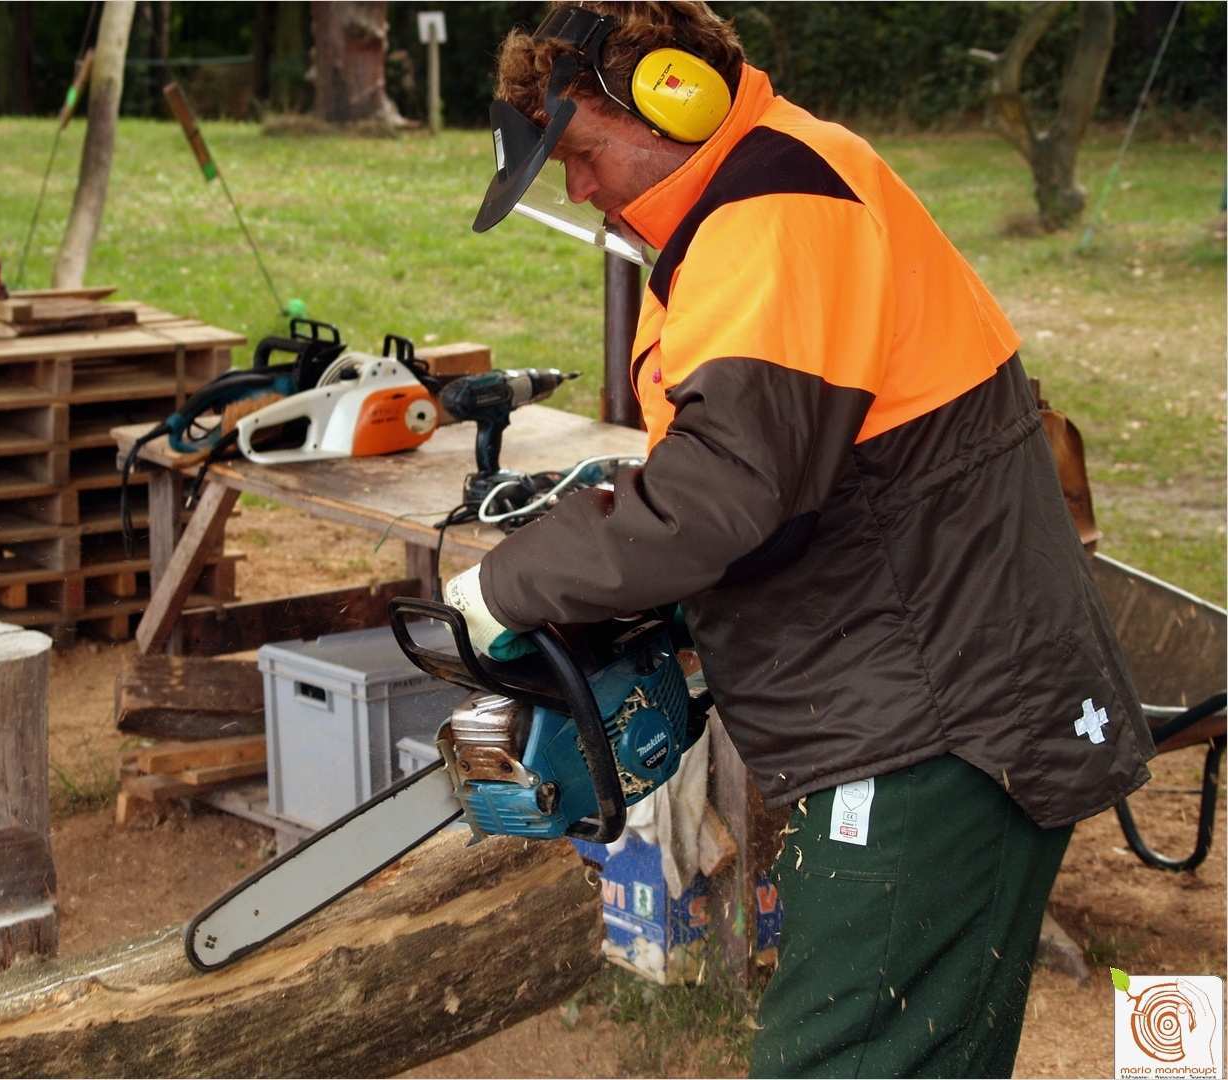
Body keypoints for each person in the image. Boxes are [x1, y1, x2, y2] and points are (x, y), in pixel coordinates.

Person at [445, 3, 1157, 1077]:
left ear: (671, 98)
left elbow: (723, 491)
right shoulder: (760, 196)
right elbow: (779, 477)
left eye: (583, 154)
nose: (578, 191)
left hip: (939, 726)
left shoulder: (777, 211)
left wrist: (512, 585)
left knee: (837, 1057)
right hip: (931, 688)